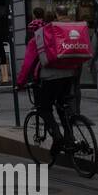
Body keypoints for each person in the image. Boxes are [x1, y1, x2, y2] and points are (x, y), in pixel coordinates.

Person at [17, 9, 78, 164]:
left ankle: (57, 136)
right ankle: (70, 137)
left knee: (44, 108)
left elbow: (28, 64)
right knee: (62, 106)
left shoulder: (36, 39)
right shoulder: (60, 34)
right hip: (69, 74)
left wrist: (20, 83)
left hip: (49, 78)